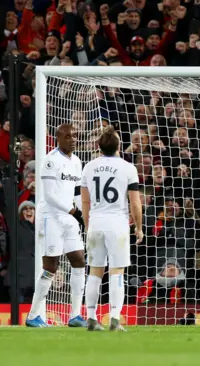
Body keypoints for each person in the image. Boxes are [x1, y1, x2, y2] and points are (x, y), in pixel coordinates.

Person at [80, 126, 143, 332]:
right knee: (117, 271)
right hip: (117, 223)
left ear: (99, 146)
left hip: (96, 222)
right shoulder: (128, 168)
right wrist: (139, 227)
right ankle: (115, 319)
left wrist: (88, 225)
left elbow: (85, 201)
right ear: (119, 146)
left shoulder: (88, 167)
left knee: (95, 271)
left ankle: (90, 318)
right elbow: (135, 203)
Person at [25, 124, 87, 328]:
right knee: (51, 266)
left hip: (69, 218)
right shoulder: (51, 161)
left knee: (79, 261)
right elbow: (49, 195)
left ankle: (75, 315)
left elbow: (77, 192)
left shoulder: (77, 162)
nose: (73, 139)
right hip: (51, 217)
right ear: (57, 138)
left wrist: (82, 215)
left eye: (75, 136)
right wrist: (74, 212)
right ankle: (33, 315)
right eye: (68, 136)